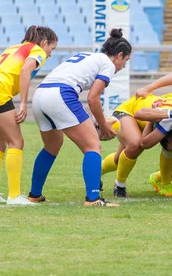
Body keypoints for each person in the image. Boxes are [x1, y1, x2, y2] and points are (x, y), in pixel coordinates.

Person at [27, 29, 131, 207]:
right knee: (93, 146)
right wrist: (104, 125)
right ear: (119, 55)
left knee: (51, 146)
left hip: (40, 94)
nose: (123, 66)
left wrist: (93, 121)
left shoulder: (87, 56)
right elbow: (93, 98)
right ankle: (93, 199)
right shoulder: (107, 64)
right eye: (125, 61)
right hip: (61, 94)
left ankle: (34, 194)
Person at [0, 26, 58, 205]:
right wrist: (24, 102)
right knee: (16, 142)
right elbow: (25, 70)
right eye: (52, 49)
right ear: (44, 42)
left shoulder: (13, 47)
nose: (50, 54)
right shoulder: (37, 50)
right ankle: (14, 196)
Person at [100, 90, 172, 198]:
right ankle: (119, 186)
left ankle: (95, 171)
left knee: (117, 160)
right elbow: (140, 114)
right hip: (129, 111)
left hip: (148, 119)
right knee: (135, 145)